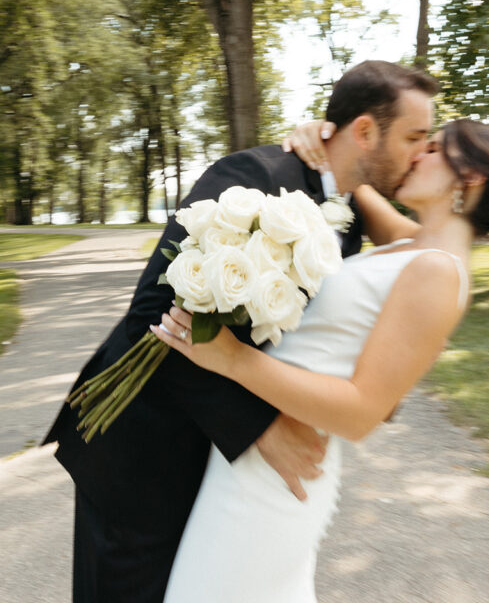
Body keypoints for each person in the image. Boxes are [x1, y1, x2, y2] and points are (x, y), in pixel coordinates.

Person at [44, 60, 437, 603]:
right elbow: (155, 315)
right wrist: (261, 428)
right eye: (416, 136)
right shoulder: (254, 178)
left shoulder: (346, 224)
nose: (422, 152)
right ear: (366, 130)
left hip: (216, 476)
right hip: (144, 454)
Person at [151, 118, 489, 603]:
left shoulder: (439, 274)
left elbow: (362, 412)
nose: (417, 152)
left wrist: (231, 360)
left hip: (276, 480)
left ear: (470, 178)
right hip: (251, 457)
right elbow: (352, 179)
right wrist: (315, 139)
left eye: (434, 148)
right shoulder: (412, 243)